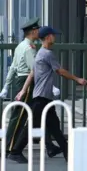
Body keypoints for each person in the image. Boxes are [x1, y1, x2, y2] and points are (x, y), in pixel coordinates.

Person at [8, 26, 87, 163]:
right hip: (41, 98)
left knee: (55, 126)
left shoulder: (40, 53)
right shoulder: (47, 54)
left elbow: (32, 73)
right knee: (32, 125)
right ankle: (15, 151)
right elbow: (60, 71)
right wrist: (77, 79)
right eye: (53, 35)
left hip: (45, 97)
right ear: (48, 37)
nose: (55, 38)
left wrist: (23, 90)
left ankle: (68, 154)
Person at [0, 18, 61, 158]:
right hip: (27, 82)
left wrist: (6, 85)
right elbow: (36, 70)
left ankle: (49, 145)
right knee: (21, 116)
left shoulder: (21, 46)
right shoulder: (29, 48)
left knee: (40, 115)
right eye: (38, 30)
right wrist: (53, 87)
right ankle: (10, 148)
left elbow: (13, 68)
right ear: (33, 31)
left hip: (23, 81)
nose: (39, 32)